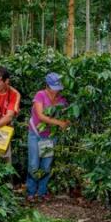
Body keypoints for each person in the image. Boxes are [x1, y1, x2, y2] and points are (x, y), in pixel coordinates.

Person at [26, 73, 70, 202]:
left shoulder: (61, 100)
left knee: (46, 165)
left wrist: (66, 122)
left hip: (50, 137)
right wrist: (59, 123)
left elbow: (67, 116)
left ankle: (42, 192)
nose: (56, 91)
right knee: (34, 164)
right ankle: (31, 192)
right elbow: (40, 115)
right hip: (35, 134)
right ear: (47, 86)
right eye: (53, 88)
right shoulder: (40, 95)